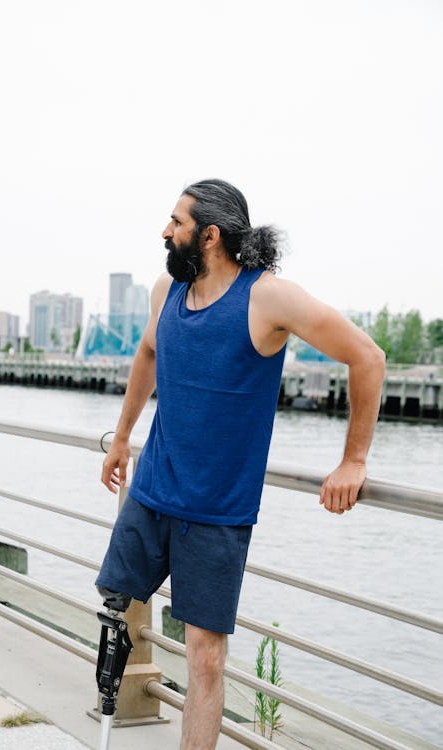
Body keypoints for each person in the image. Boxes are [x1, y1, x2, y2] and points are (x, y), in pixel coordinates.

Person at [95, 178, 385, 749]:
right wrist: (122, 437)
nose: (164, 231)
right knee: (112, 618)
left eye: (175, 223)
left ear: (210, 235)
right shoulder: (166, 291)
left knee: (205, 659)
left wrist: (353, 459)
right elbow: (150, 351)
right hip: (151, 491)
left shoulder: (268, 299)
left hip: (216, 513)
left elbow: (367, 357)